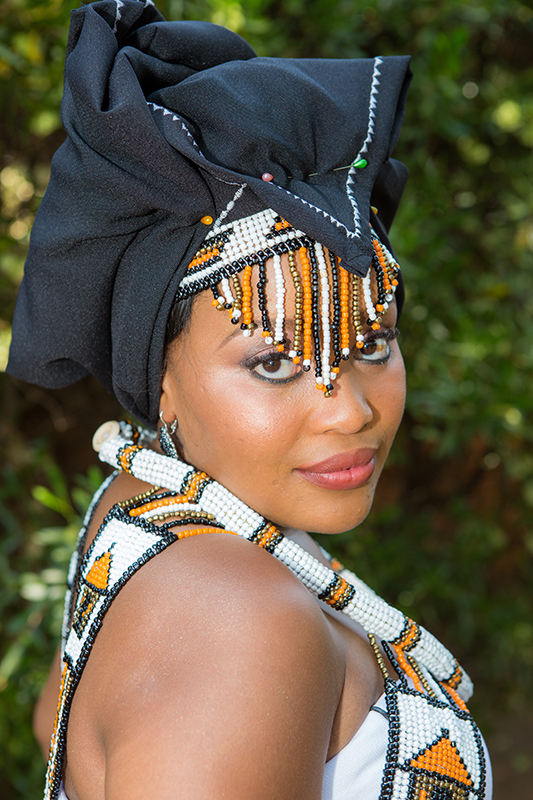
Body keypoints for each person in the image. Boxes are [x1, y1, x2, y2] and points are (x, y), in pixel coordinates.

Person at [8, 2, 492, 798]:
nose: (349, 411)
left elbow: (56, 717)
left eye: (372, 344)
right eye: (272, 362)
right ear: (158, 379)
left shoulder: (141, 500)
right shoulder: (243, 622)